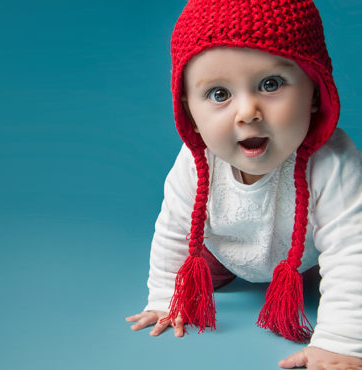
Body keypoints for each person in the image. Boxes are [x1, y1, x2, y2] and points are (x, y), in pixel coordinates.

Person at [124, 0, 362, 368]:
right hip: (226, 251)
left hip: (303, 256)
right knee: (196, 261)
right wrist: (164, 296)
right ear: (189, 109)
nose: (247, 111)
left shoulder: (332, 163)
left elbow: (351, 247)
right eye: (219, 94)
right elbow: (173, 229)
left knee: (342, 269)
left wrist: (341, 342)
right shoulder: (196, 163)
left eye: (271, 84)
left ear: (315, 93)